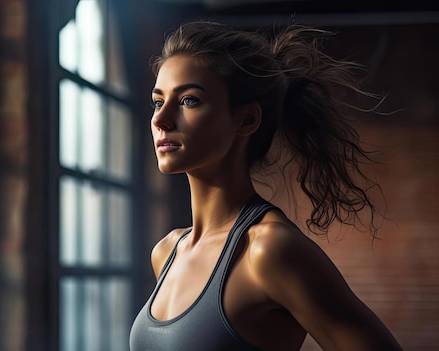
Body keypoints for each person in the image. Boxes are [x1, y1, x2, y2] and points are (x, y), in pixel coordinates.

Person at [129, 20, 402, 351]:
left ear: (246, 119)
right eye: (158, 101)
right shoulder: (166, 252)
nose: (161, 119)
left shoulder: (268, 250)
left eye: (189, 100)